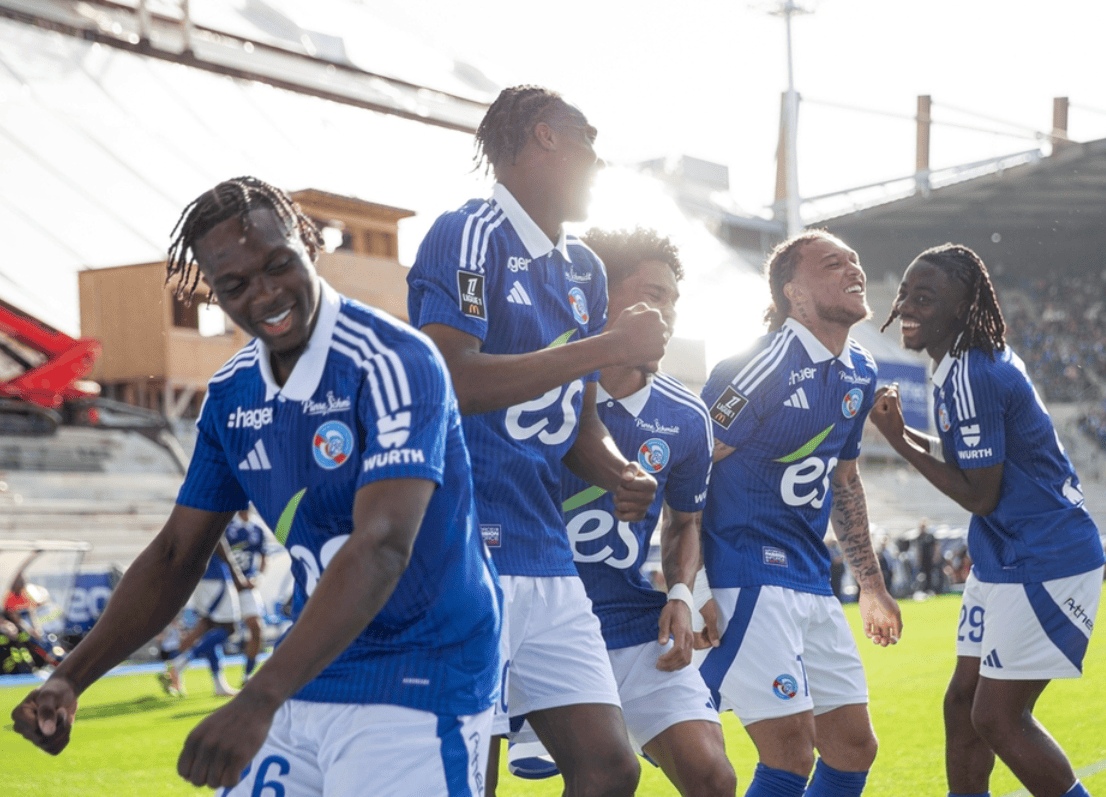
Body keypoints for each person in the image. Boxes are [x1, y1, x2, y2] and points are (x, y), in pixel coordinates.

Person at [12, 176, 502, 796]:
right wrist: (69, 677)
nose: (266, 295)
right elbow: (176, 553)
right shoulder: (232, 393)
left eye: (278, 265)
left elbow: (381, 545)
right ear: (214, 294)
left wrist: (258, 697)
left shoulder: (395, 360)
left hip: (422, 668)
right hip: (312, 669)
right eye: (235, 285)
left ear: (307, 244)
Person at [407, 85, 666, 797]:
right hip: (466, 545)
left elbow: (577, 420)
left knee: (610, 768)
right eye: (587, 139)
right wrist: (607, 345)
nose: (598, 159)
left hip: (547, 550)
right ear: (545, 137)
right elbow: (452, 378)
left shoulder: (583, 269)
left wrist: (618, 471)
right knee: (470, 775)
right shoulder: (469, 233)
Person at [869, 243, 1103, 797]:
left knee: (998, 718)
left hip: (1044, 556)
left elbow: (979, 494)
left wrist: (899, 441)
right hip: (1003, 556)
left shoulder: (974, 372)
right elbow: (968, 464)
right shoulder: (961, 362)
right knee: (961, 703)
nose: (906, 307)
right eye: (905, 293)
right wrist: (903, 435)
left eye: (925, 298)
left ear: (961, 306)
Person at [515, 228, 736, 795]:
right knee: (600, 779)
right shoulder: (538, 389)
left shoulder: (686, 416)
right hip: (537, 622)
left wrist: (682, 595)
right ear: (595, 296)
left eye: (673, 300)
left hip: (633, 621)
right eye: (651, 295)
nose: (666, 315)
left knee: (714, 777)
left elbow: (684, 522)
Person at [697, 229, 903, 797]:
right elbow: (691, 466)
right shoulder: (758, 365)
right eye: (833, 263)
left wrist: (871, 586)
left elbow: (844, 480)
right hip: (745, 573)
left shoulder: (860, 370)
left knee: (853, 746)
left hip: (810, 578)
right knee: (789, 751)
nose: (854, 270)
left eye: (855, 260)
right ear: (795, 293)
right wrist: (689, 583)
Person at [161, 535, 251, 697]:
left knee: (210, 629)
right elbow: (220, 543)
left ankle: (219, 685)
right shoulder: (211, 520)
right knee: (229, 628)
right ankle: (178, 664)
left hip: (200, 577)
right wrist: (237, 576)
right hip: (216, 576)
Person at [224, 506, 269, 682]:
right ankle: (179, 665)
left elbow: (264, 557)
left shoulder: (257, 529)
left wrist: (257, 578)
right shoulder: (227, 526)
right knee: (217, 631)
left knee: (257, 629)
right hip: (227, 586)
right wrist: (231, 579)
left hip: (247, 587)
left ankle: (247, 675)